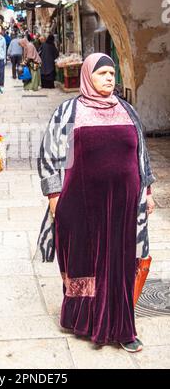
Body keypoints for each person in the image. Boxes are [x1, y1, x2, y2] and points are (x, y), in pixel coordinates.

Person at [37, 53, 155, 353]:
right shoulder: (69, 111)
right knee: (83, 261)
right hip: (82, 203)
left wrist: (148, 191)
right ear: (88, 76)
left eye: (112, 73)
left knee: (122, 262)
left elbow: (141, 153)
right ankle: (85, 321)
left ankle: (123, 328)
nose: (109, 78)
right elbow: (50, 154)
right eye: (101, 73)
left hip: (124, 204)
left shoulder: (127, 110)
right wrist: (54, 197)